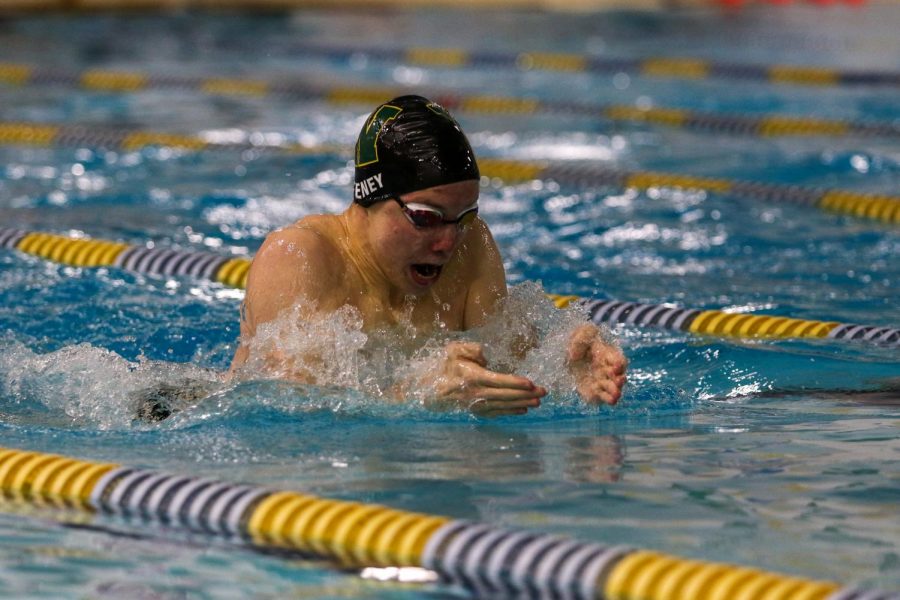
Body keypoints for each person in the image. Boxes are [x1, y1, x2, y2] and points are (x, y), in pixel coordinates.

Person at [228, 95, 626, 417]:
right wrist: (416, 393)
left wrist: (562, 367)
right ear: (371, 197)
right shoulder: (301, 257)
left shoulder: (471, 247)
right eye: (426, 218)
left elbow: (508, 367)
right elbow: (284, 416)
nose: (447, 242)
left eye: (463, 218)